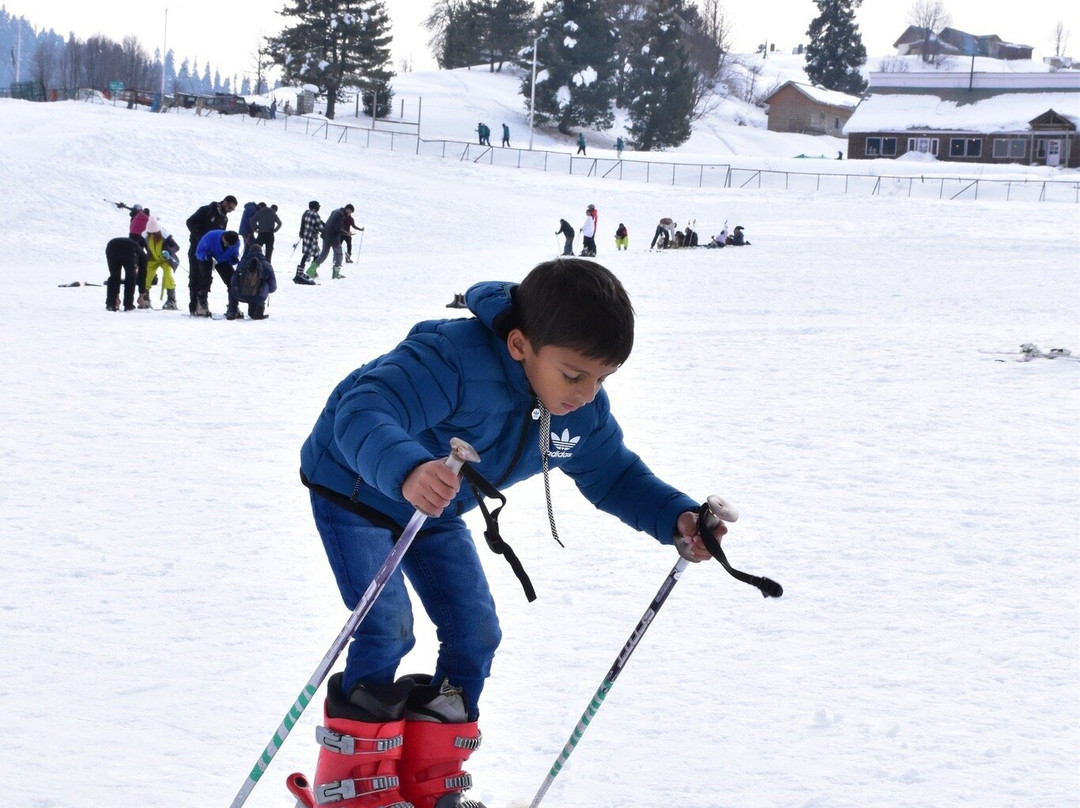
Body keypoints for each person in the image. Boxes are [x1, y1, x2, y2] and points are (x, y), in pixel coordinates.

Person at [298, 258, 721, 808]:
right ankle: (349, 785)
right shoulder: (451, 359)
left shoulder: (574, 410)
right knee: (387, 629)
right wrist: (406, 469)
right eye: (574, 375)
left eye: (602, 378)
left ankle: (431, 782)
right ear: (520, 345)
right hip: (353, 486)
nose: (588, 393)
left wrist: (675, 517)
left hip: (437, 510)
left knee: (475, 632)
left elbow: (612, 472)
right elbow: (364, 408)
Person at [186, 195, 238, 314]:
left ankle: (203, 304)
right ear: (224, 202)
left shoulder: (224, 219)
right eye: (230, 207)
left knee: (206, 276)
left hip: (211, 251)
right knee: (195, 275)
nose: (230, 210)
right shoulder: (206, 210)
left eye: (232, 209)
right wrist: (199, 237)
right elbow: (190, 222)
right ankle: (194, 306)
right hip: (196, 247)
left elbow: (223, 235)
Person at [192, 230, 241, 316]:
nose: (227, 245)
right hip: (207, 258)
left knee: (232, 280)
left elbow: (234, 254)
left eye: (230, 245)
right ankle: (201, 304)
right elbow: (199, 252)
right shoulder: (210, 237)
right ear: (223, 238)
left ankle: (233, 306)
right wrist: (206, 257)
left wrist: (234, 259)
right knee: (206, 278)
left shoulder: (236, 242)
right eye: (226, 243)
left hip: (223, 259)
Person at [226, 243, 278, 321]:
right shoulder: (267, 265)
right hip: (259, 297)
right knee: (263, 286)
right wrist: (265, 291)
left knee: (231, 292)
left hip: (240, 295)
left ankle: (232, 311)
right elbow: (273, 287)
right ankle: (257, 312)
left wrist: (235, 288)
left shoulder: (242, 263)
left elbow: (234, 280)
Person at [141, 216, 183, 309]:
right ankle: (145, 298)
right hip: (153, 259)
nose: (153, 236)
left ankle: (171, 300)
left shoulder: (165, 236)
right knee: (146, 276)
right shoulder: (145, 237)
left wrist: (169, 252)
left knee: (168, 276)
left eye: (155, 234)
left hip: (165, 260)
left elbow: (176, 247)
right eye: (150, 234)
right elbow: (139, 247)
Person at [305, 204, 354, 280]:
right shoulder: (341, 215)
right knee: (339, 254)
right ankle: (336, 274)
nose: (349, 214)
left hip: (326, 235)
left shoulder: (335, 211)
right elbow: (337, 228)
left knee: (323, 255)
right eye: (350, 212)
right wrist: (346, 233)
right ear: (347, 209)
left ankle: (310, 270)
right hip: (333, 237)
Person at [104, 237, 141, 312]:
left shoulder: (138, 251)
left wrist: (115, 296)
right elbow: (142, 275)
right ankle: (128, 305)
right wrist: (142, 294)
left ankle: (111, 304)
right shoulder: (142, 258)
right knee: (131, 277)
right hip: (127, 249)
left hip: (111, 246)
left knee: (114, 276)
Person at [295, 201, 323, 285]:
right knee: (315, 254)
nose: (319, 208)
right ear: (315, 207)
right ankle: (311, 271)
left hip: (306, 234)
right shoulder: (315, 215)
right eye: (318, 206)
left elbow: (303, 223)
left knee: (310, 253)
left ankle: (301, 271)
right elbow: (320, 226)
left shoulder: (306, 213)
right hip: (312, 236)